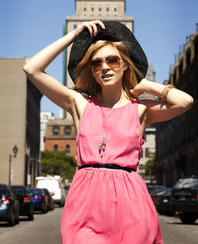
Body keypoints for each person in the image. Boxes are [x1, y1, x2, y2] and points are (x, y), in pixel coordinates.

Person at [23, 20, 193, 244]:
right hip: (85, 203)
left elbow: (185, 101)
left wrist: (147, 86)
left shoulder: (140, 109)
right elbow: (31, 68)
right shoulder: (79, 104)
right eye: (96, 63)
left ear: (124, 65)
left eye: (112, 60)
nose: (104, 67)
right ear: (92, 72)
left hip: (130, 202)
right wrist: (76, 35)